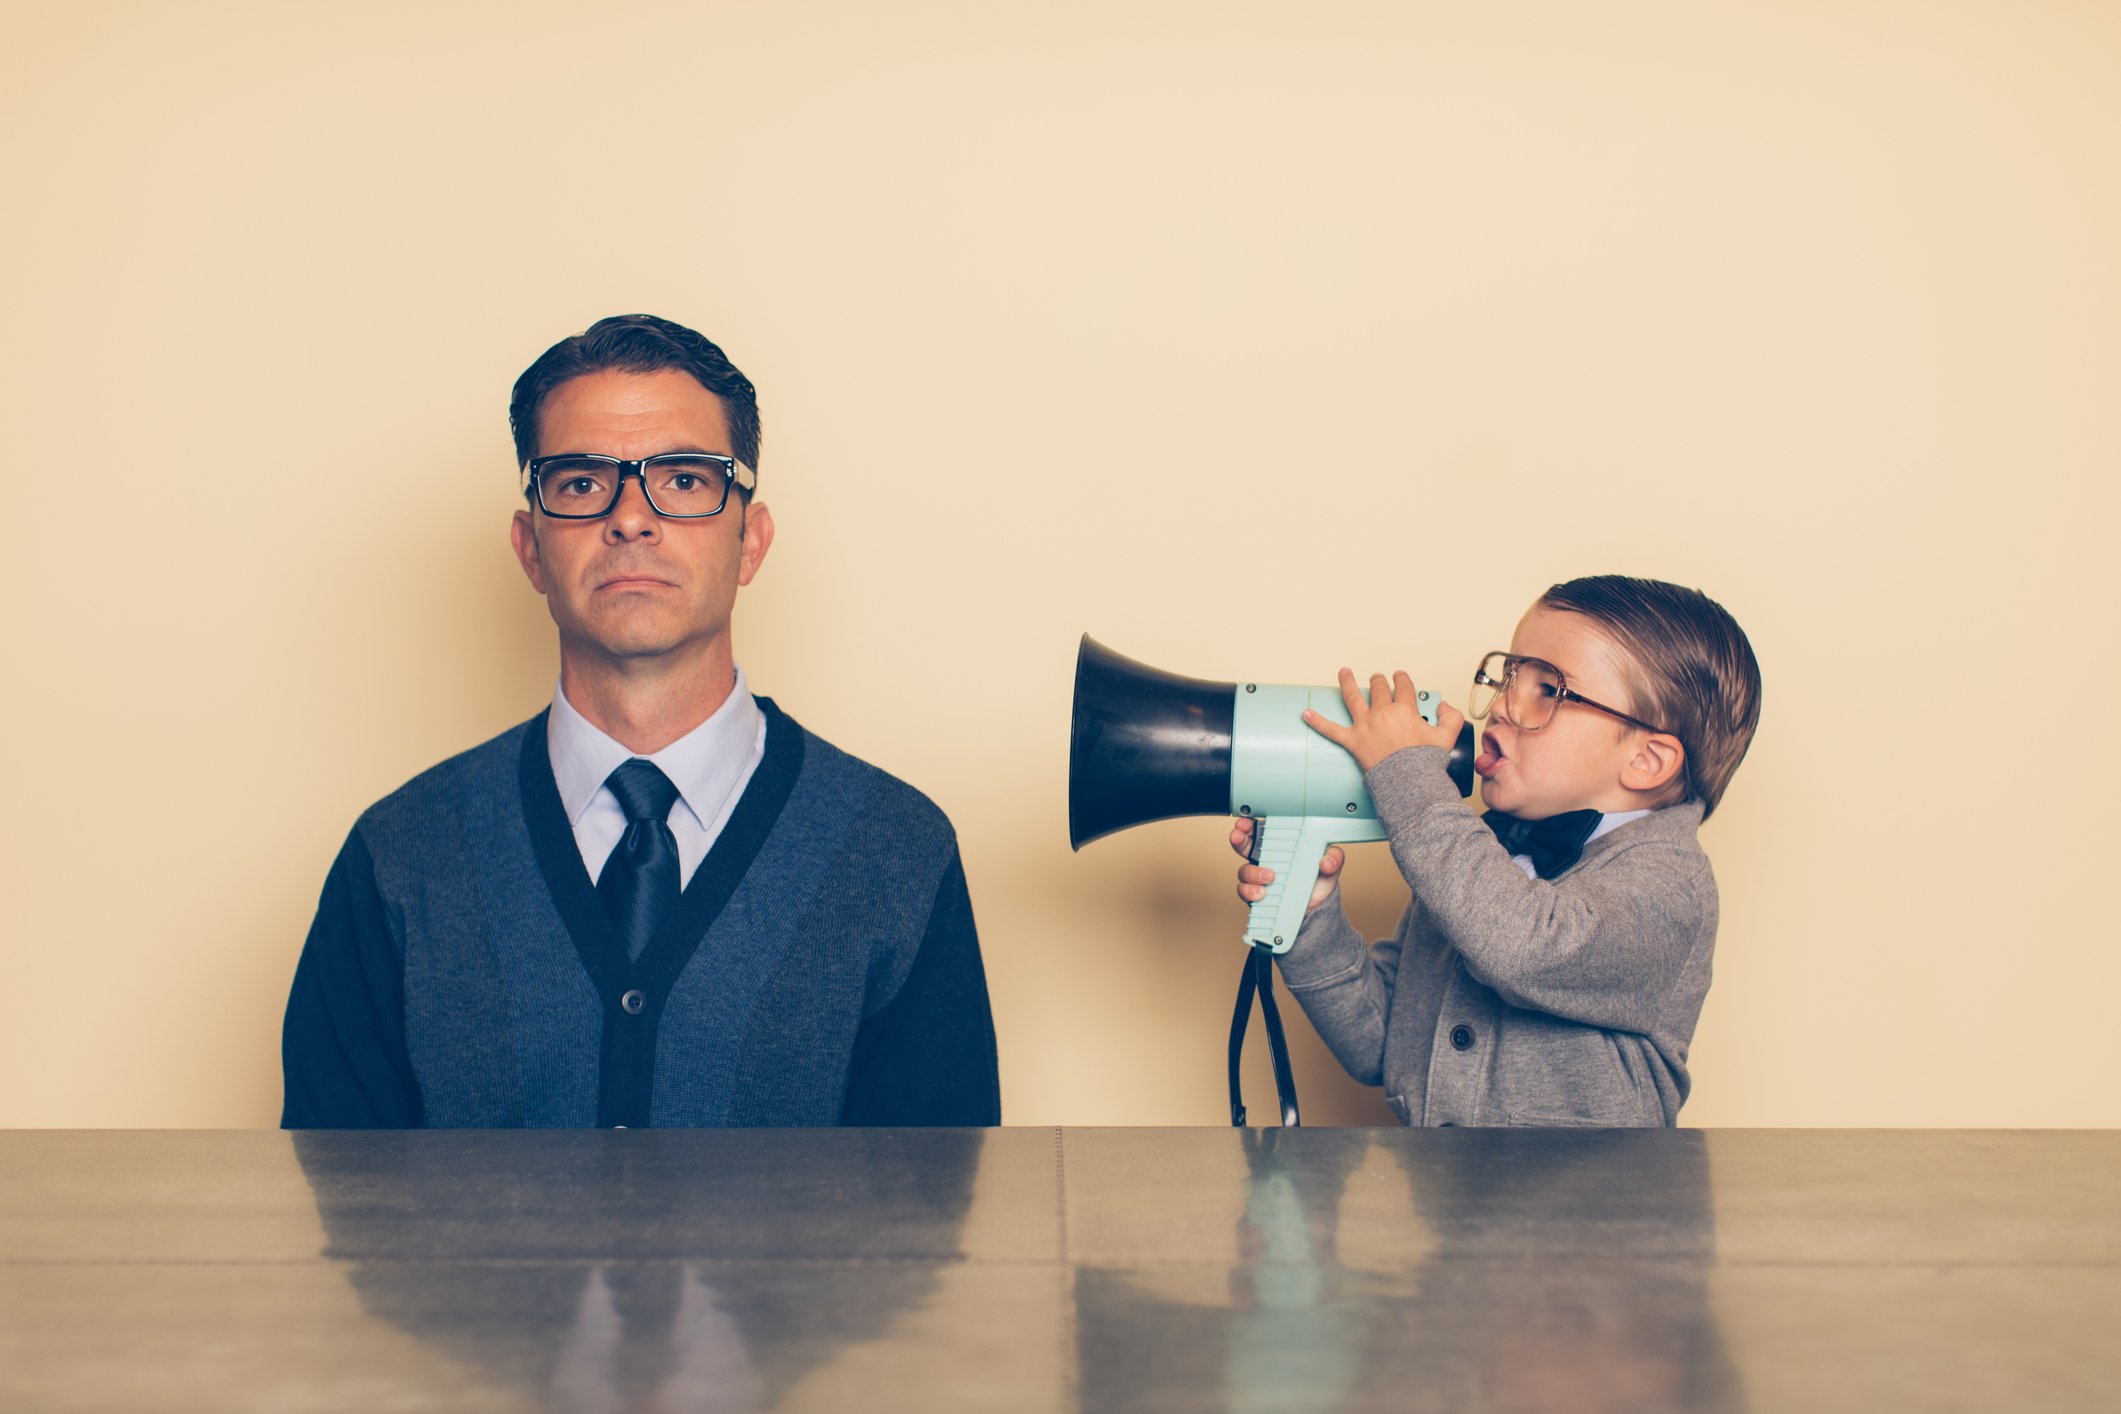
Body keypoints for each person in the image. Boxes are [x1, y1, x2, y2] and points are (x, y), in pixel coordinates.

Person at [282, 314, 1000, 1129]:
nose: (631, 518)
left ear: (750, 541)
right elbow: (338, 1225)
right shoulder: (400, 854)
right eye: (582, 483)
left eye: (686, 480)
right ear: (530, 548)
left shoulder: (893, 848)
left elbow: (934, 1226)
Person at [1231, 576, 1761, 1127]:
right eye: (1510, 678)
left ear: (1647, 760)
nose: (1503, 707)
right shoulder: (1479, 856)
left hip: (1600, 1209)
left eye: (1548, 690)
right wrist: (1312, 913)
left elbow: (1525, 946)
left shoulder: (1669, 885)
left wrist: (1410, 783)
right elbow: (1380, 1045)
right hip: (1447, 1209)